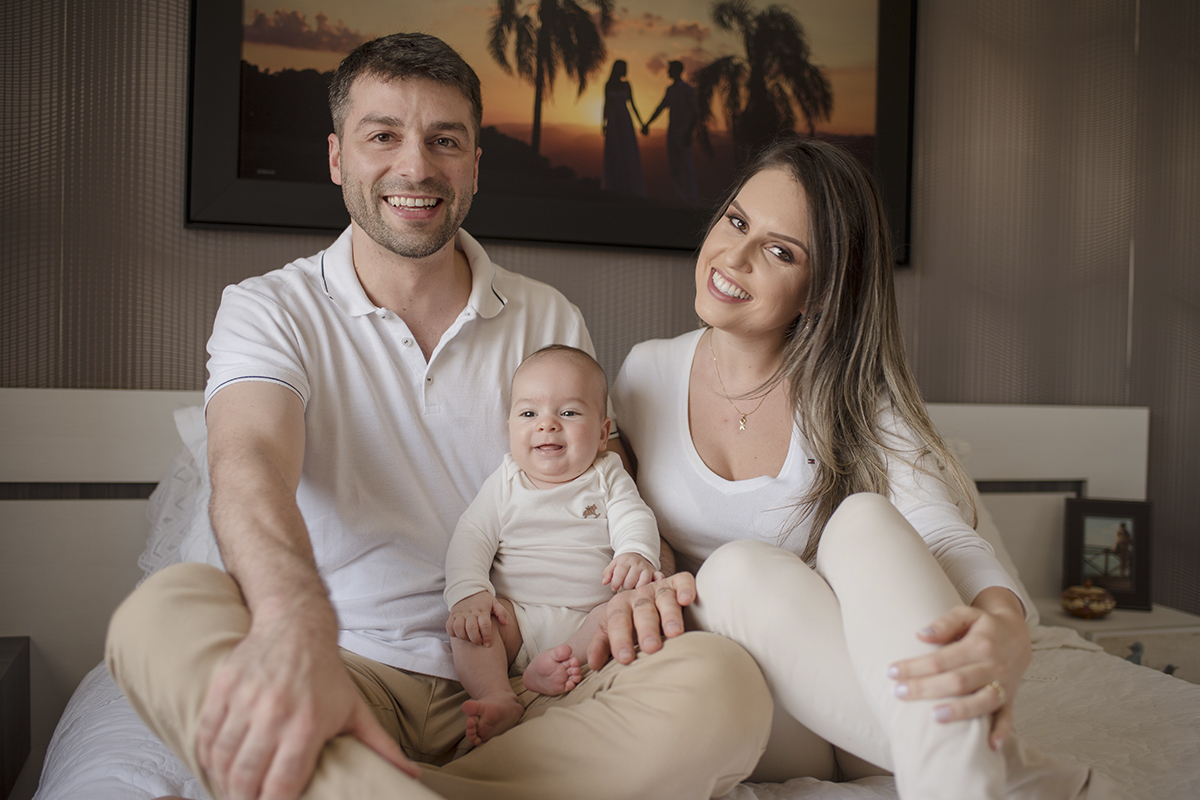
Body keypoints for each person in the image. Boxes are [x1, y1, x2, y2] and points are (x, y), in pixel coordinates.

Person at [104, 32, 771, 800]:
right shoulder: (269, 308)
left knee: (724, 683)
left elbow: (604, 476)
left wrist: (637, 586)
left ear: (475, 166)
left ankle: (382, 788)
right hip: (340, 669)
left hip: (525, 678)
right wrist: (293, 624)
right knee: (158, 617)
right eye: (382, 136)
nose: (414, 167)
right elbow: (249, 459)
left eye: (443, 140)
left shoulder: (548, 317)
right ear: (336, 157)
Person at [597, 135, 1109, 799]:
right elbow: (610, 515)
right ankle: (1020, 781)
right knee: (730, 574)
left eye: (781, 252)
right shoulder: (644, 375)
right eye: (737, 221)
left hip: (860, 683)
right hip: (754, 704)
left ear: (819, 291)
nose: (736, 257)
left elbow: (941, 529)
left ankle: (958, 777)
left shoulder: (856, 391)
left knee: (864, 517)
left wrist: (1008, 628)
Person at [443, 345, 660, 746]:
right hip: (516, 619)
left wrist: (635, 552)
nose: (547, 425)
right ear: (509, 427)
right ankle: (496, 694)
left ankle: (554, 667)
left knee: (617, 616)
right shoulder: (506, 482)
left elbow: (635, 515)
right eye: (529, 414)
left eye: (569, 413)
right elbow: (471, 535)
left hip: (586, 618)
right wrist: (469, 593)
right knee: (472, 630)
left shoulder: (606, 474)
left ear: (600, 433)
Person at [641, 60, 700, 204]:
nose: (667, 72)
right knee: (674, 168)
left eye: (670, 69)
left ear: (677, 71)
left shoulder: (687, 90)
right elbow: (660, 108)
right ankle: (681, 197)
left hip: (683, 133)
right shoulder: (670, 90)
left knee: (687, 166)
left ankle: (693, 200)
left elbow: (695, 113)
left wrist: (688, 133)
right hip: (673, 134)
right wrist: (647, 123)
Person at [601, 60, 646, 196]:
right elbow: (606, 105)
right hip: (613, 120)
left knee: (627, 149)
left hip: (625, 119)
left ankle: (630, 184)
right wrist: (603, 123)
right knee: (615, 149)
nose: (625, 70)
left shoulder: (627, 85)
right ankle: (615, 184)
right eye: (623, 68)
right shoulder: (608, 85)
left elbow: (633, 105)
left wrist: (641, 123)